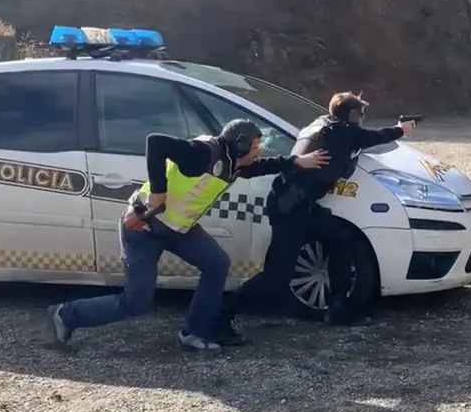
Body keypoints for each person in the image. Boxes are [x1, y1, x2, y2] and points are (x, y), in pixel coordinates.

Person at [44, 119, 330, 352]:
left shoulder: (234, 162)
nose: (259, 150)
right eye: (255, 146)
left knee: (217, 264)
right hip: (144, 229)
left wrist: (296, 162)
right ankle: (66, 315)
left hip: (179, 230)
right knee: (136, 303)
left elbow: (264, 166)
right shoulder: (201, 153)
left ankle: (194, 332)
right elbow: (155, 142)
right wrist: (158, 189)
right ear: (239, 144)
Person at [220, 91, 414, 332]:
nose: (362, 120)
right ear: (352, 115)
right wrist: (401, 129)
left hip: (299, 205)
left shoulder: (322, 125)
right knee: (275, 278)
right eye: (360, 115)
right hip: (291, 210)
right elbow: (374, 136)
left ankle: (338, 308)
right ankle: (221, 314)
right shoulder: (340, 132)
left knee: (341, 240)